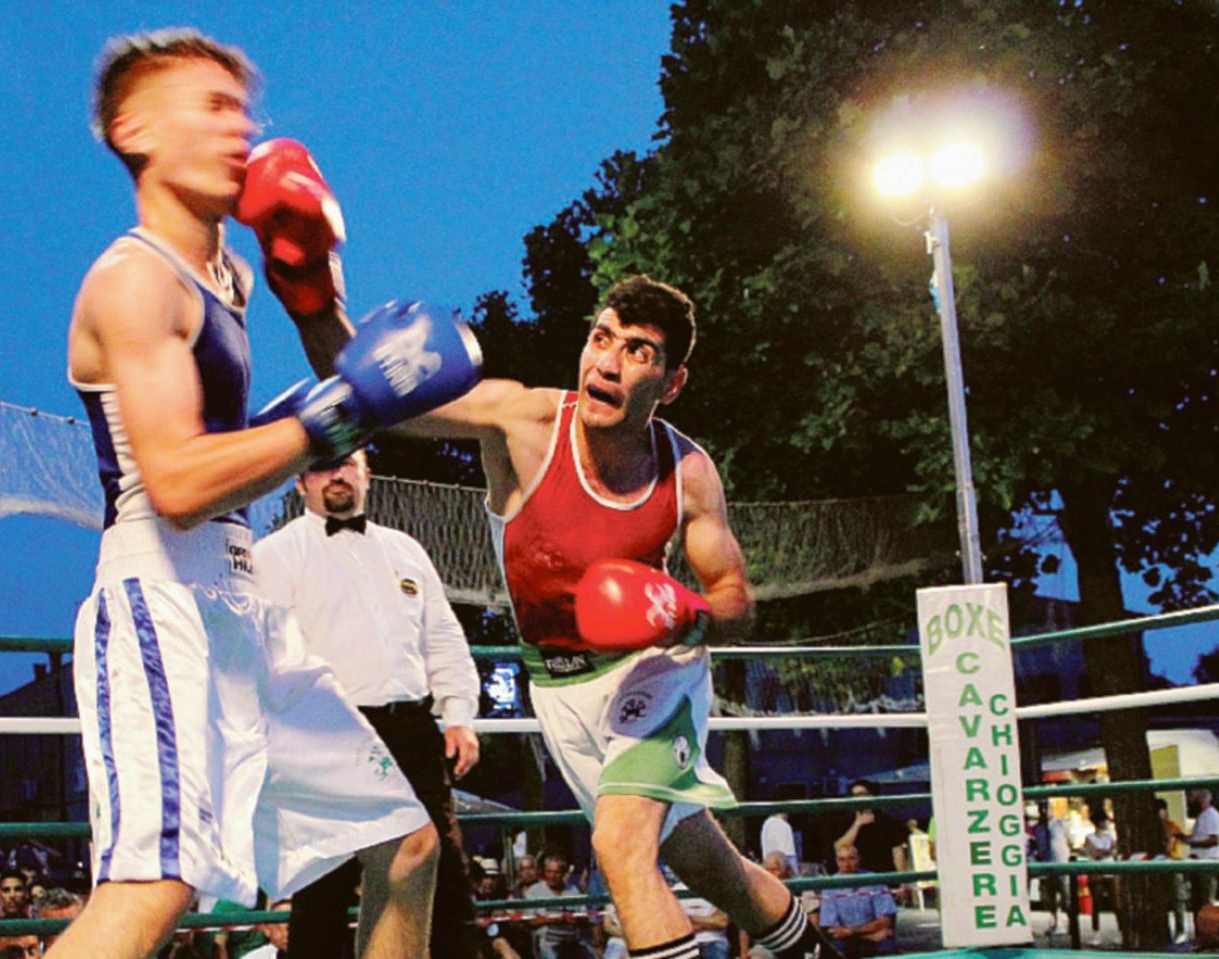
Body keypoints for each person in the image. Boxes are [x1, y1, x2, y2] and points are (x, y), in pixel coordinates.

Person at [52, 26, 485, 959]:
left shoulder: (230, 273)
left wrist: (315, 298)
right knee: (152, 887)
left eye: (244, 109)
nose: (238, 128)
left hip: (242, 607)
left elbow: (358, 385)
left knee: (406, 843)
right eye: (210, 107)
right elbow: (175, 481)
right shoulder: (135, 282)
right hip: (160, 598)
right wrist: (328, 417)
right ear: (135, 128)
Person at [405, 275, 833, 959]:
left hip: (653, 673)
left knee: (619, 845)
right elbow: (385, 404)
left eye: (637, 351)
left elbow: (734, 598)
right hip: (558, 688)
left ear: (671, 382)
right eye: (601, 339)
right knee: (710, 866)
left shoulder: (687, 471)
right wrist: (317, 303)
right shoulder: (526, 421)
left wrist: (683, 612)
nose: (607, 362)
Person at [255, 449, 485, 959]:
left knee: (444, 877)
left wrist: (460, 715)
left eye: (347, 463)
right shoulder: (274, 555)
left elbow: (443, 637)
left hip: (412, 730)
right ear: (300, 483)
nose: (336, 474)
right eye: (321, 465)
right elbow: (269, 659)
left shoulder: (405, 549)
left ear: (367, 473)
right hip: (328, 734)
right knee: (324, 889)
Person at [817, 846, 897, 958]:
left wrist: (850, 931)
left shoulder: (875, 880)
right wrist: (863, 933)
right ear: (836, 862)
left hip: (866, 938)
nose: (847, 864)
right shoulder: (830, 886)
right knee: (834, 949)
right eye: (842, 859)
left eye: (851, 858)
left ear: (859, 859)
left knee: (887, 948)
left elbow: (885, 921)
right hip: (856, 938)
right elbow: (832, 930)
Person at [833, 782, 907, 880]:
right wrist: (857, 825)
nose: (857, 798)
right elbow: (839, 848)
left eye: (861, 794)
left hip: (883, 878)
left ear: (871, 795)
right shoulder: (844, 822)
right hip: (854, 878)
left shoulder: (887, 822)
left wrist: (903, 881)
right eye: (854, 795)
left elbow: (898, 853)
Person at [525, 855, 593, 959]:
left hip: (573, 941)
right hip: (549, 943)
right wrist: (551, 919)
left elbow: (585, 917)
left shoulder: (573, 890)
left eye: (556, 872)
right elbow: (529, 920)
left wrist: (575, 919)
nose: (552, 876)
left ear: (563, 873)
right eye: (549, 872)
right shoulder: (535, 891)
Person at [1188, 789, 1219, 910]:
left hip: (1207, 860)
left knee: (1206, 899)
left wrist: (1193, 843)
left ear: (1202, 799)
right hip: (1199, 860)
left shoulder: (1211, 816)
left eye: (1194, 799)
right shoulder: (1202, 815)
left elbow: (1214, 840)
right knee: (1198, 898)